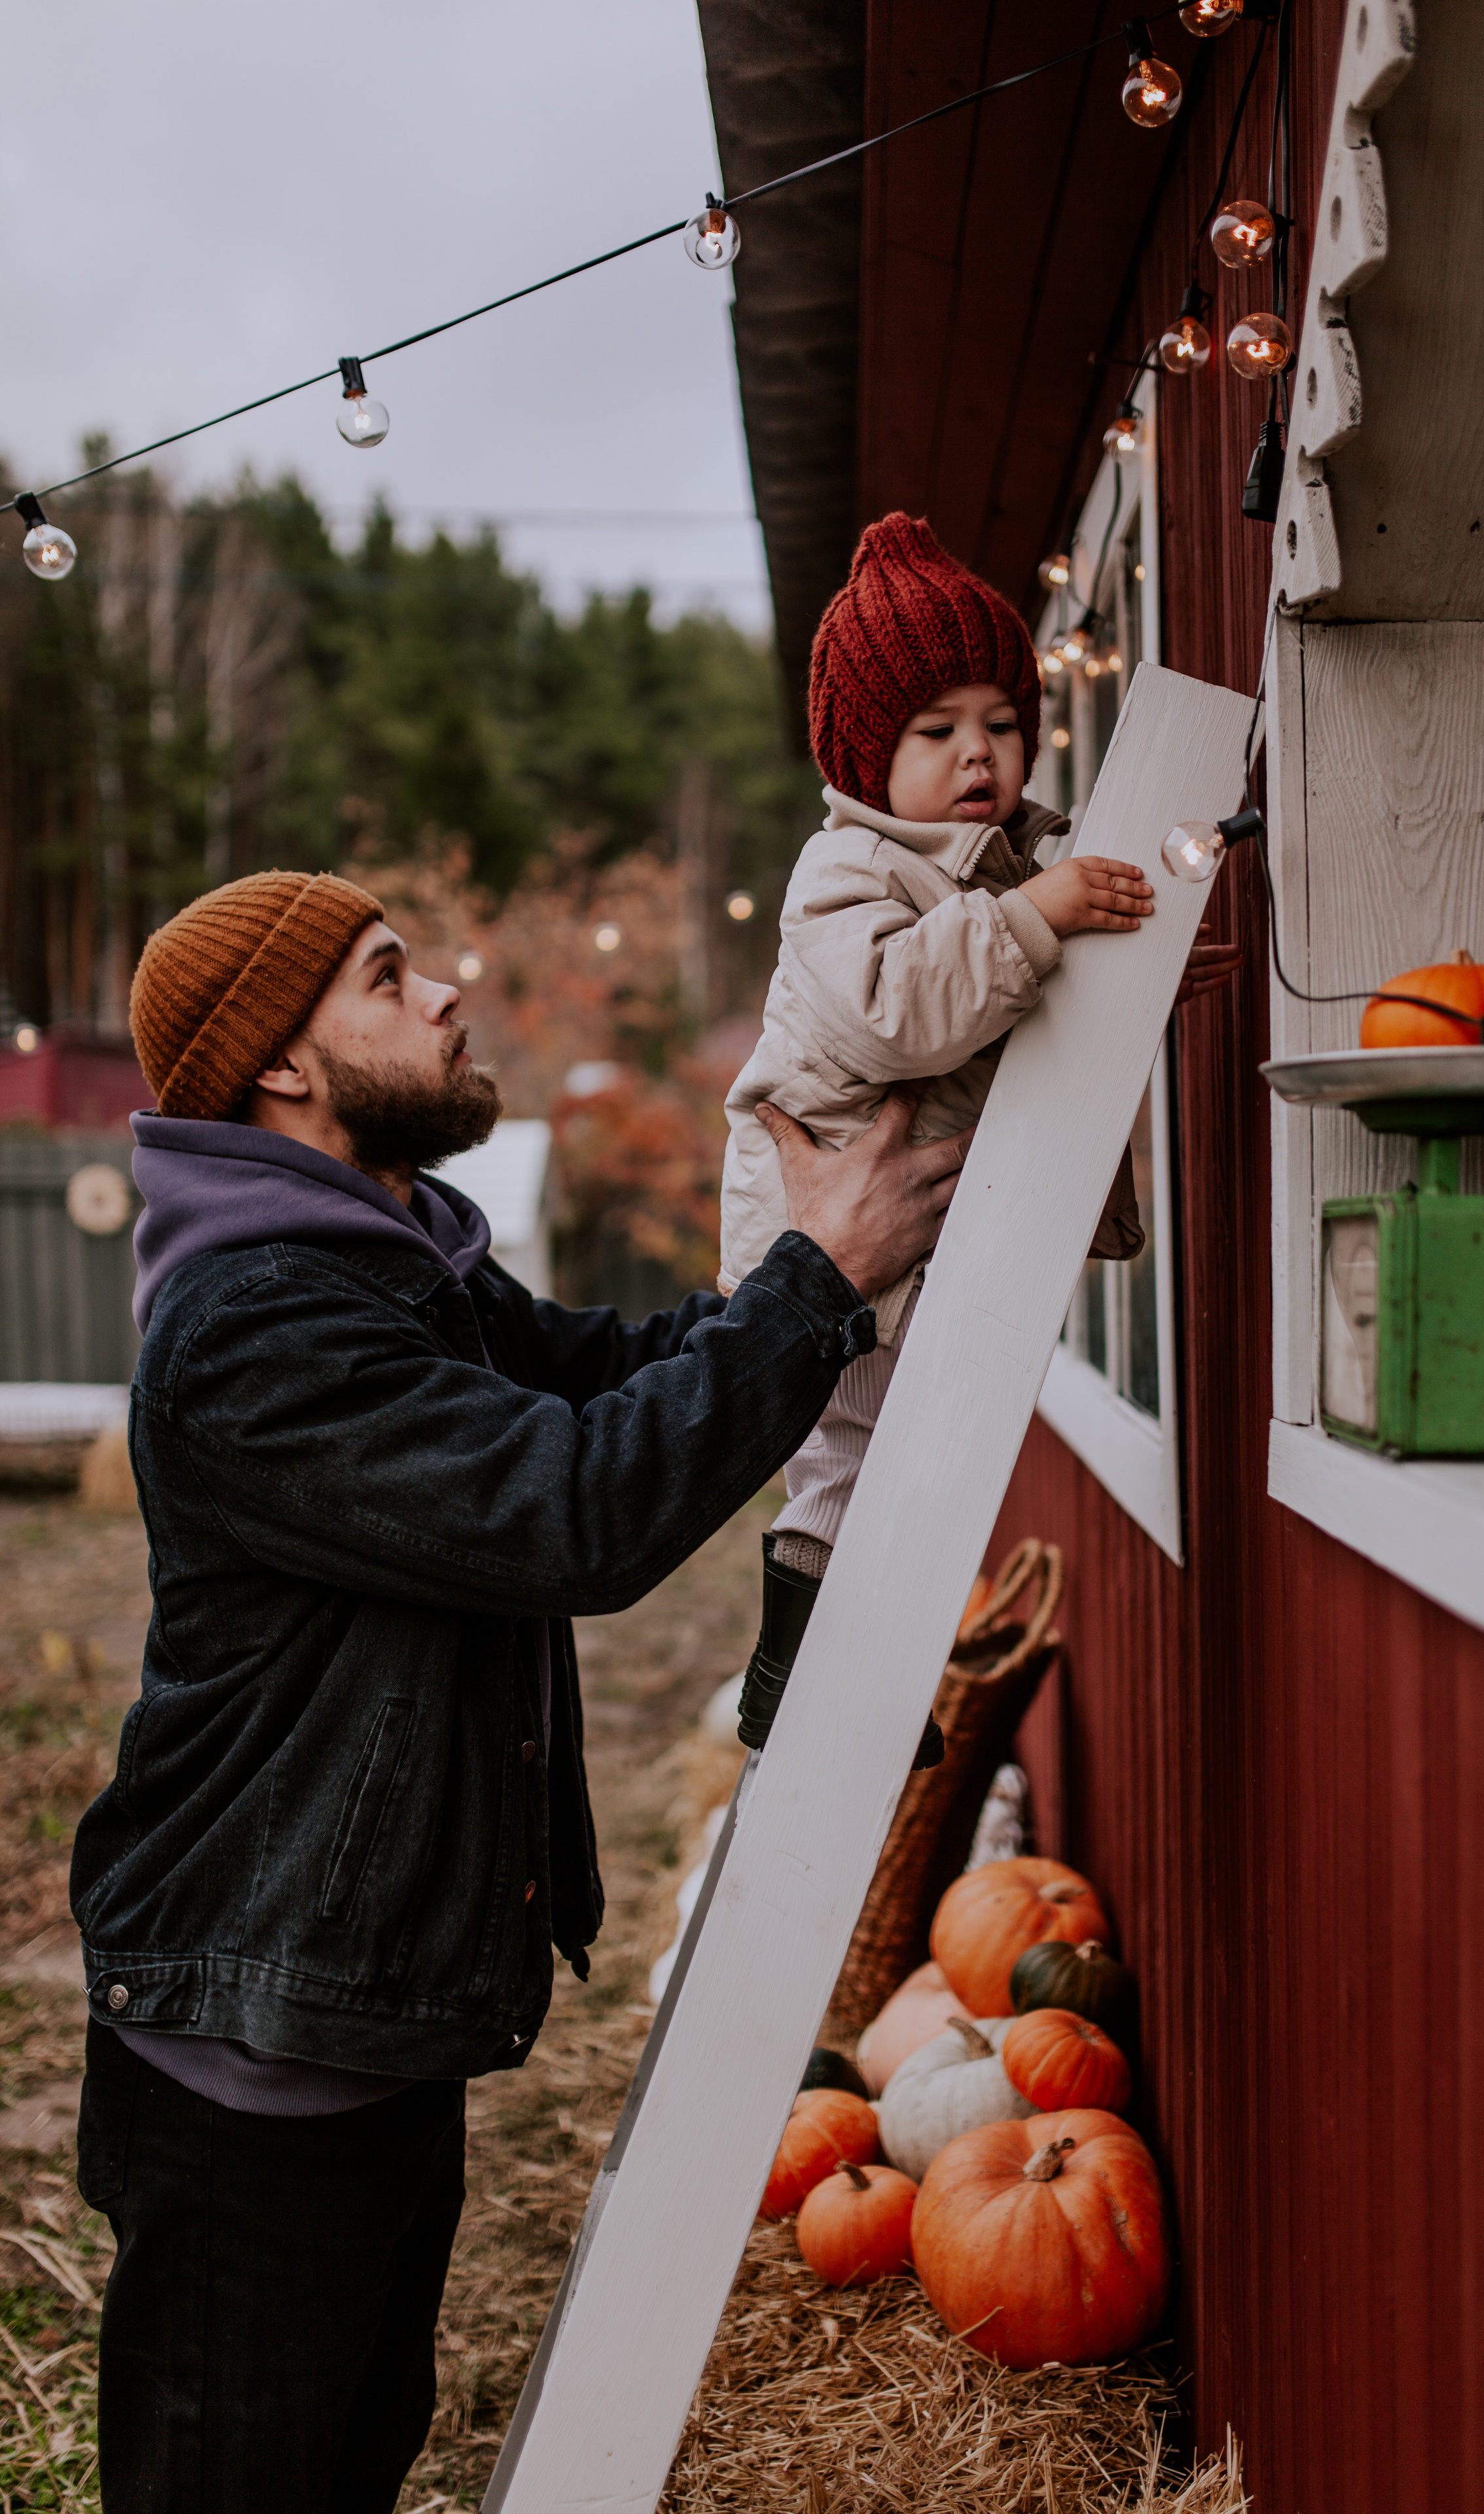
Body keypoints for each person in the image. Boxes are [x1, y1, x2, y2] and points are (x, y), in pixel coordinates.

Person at [71, 866, 968, 2514]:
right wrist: (815, 1282)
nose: (445, 994)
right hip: (249, 2048)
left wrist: (809, 1272)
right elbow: (576, 1509)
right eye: (388, 975)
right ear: (282, 1062)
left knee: (348, 2456)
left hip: (351, 2011)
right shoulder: (257, 1326)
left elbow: (620, 1375)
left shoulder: (392, 1263)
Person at [720, 512, 1237, 1753]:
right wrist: (1045, 915)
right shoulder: (847, 872)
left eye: (1002, 723)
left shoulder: (1018, 863)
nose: (978, 755)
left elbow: (1034, 1004)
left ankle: (861, 1682)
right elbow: (906, 1013)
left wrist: (1133, 965)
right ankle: (803, 1685)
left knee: (910, 1468)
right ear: (865, 758)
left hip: (919, 1244)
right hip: (834, 1237)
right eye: (935, 730)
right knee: (854, 1456)